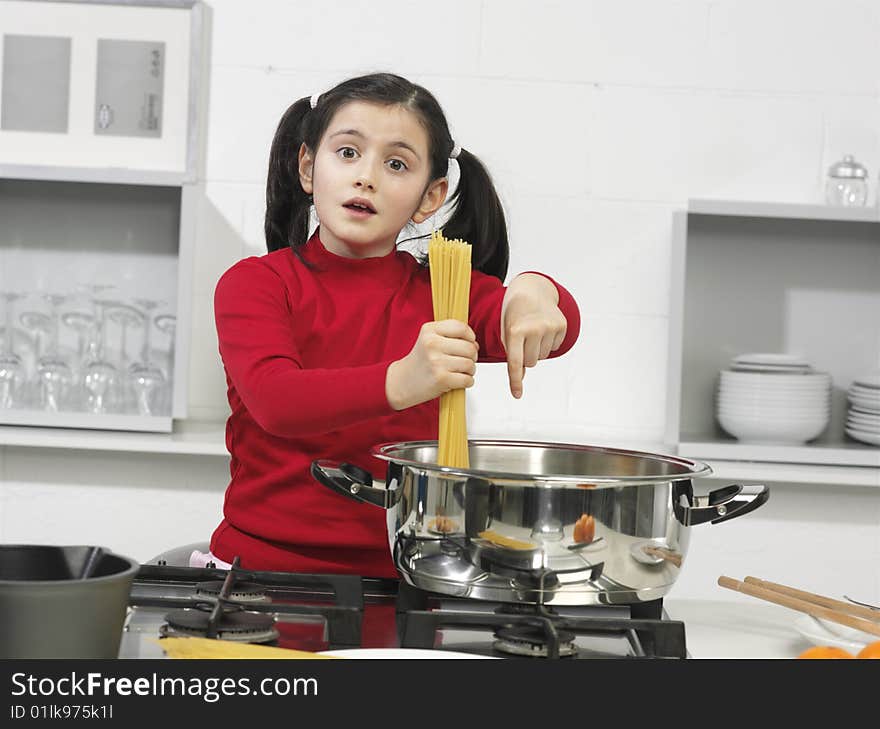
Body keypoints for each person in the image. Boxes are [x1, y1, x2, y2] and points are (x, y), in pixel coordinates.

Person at [205, 73, 581, 578]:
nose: (367, 177)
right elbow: (276, 400)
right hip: (260, 572)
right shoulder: (255, 283)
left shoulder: (445, 292)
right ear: (309, 167)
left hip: (410, 574)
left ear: (431, 196)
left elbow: (558, 328)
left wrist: (537, 290)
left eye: (397, 164)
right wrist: (405, 380)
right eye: (348, 153)